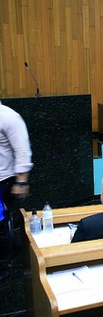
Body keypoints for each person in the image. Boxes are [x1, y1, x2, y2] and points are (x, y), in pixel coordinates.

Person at [0, 100, 32, 281]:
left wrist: (21, 181)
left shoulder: (8, 116)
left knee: (0, 225)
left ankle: (3, 268)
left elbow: (22, 151)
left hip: (2, 180)